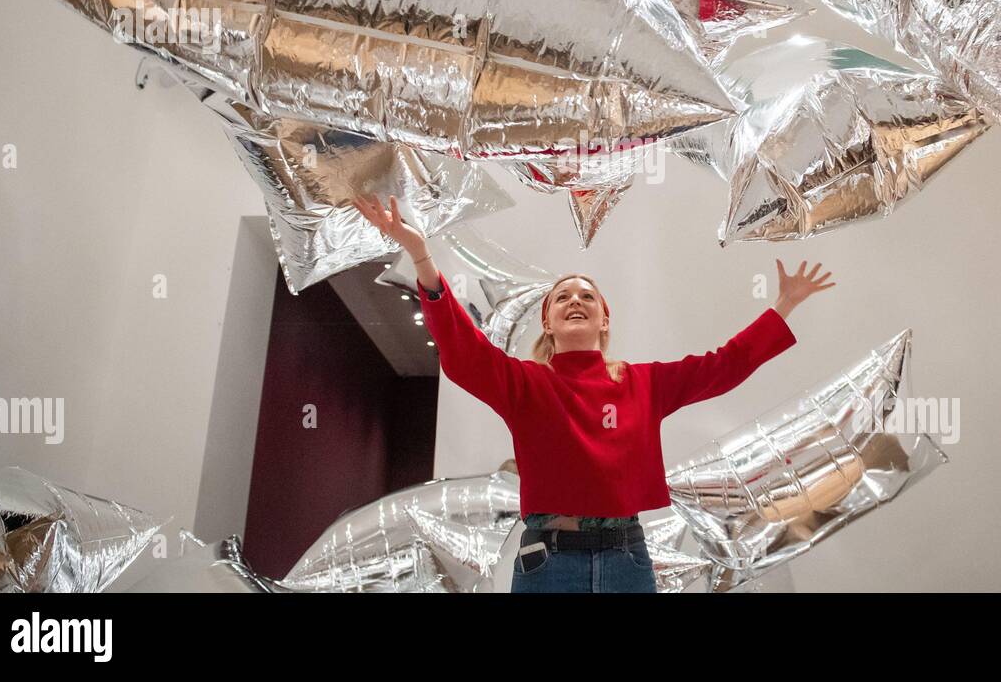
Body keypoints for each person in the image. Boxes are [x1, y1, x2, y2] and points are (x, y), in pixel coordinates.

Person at [354, 194, 835, 593]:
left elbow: (722, 366)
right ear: (548, 322)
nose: (575, 301)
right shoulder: (526, 383)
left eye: (587, 295)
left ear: (604, 320)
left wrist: (783, 306)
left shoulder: (642, 382)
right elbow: (463, 353)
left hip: (627, 558)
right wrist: (421, 255)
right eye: (562, 296)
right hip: (549, 561)